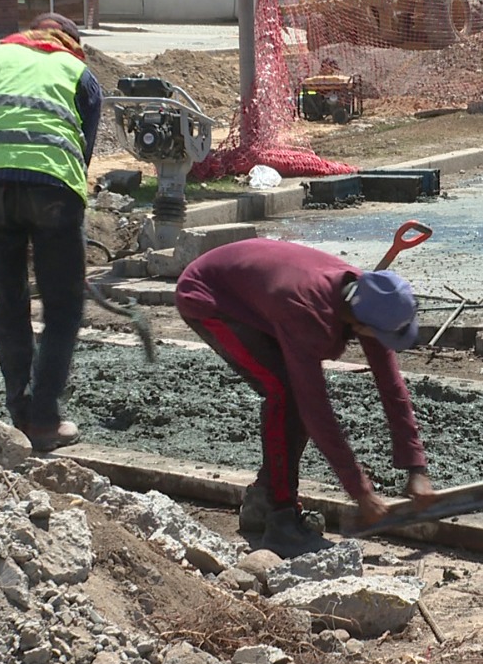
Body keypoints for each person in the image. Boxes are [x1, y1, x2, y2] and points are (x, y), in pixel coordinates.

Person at [175, 238, 437, 557]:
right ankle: (281, 520)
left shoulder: (367, 296)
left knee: (290, 398)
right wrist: (360, 491)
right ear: (359, 323)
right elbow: (316, 410)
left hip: (258, 293)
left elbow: (391, 384)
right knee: (285, 396)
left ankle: (262, 501)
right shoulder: (308, 311)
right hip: (210, 296)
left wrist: (416, 468)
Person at [0, 12, 103, 450]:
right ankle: (46, 420)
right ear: (68, 42)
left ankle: (19, 412)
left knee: (9, 300)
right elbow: (82, 144)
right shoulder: (78, 71)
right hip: (54, 186)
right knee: (63, 308)